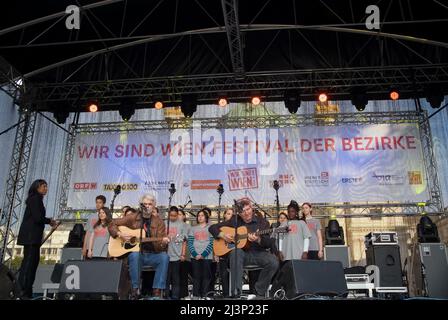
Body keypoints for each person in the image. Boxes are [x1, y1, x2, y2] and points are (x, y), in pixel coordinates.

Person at [209, 199, 278, 298]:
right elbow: (212, 228)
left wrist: (258, 239)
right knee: (236, 252)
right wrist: (222, 235)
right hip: (239, 256)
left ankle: (259, 291)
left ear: (252, 208)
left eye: (248, 209)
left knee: (274, 261)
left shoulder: (262, 222)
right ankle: (236, 293)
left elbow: (268, 243)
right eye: (242, 211)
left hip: (258, 254)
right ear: (239, 213)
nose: (246, 213)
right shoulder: (234, 220)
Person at [108, 194, 169, 299]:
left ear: (154, 206)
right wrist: (120, 234)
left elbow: (160, 248)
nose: (147, 206)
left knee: (164, 257)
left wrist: (163, 243)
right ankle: (135, 289)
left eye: (150, 204)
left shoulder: (159, 222)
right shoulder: (133, 217)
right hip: (136, 255)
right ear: (141, 205)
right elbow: (111, 223)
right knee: (135, 255)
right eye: (145, 204)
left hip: (152, 254)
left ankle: (157, 291)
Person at [17, 179, 57, 299]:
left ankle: (26, 290)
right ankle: (23, 292)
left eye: (46, 186)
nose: (46, 188)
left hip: (33, 238)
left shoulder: (37, 199)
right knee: (29, 264)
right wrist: (49, 221)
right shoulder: (35, 199)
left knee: (31, 264)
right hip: (30, 237)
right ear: (37, 187)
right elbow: (38, 218)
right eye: (43, 186)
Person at [188, 209, 214, 298]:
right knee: (196, 277)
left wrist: (203, 255)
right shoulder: (193, 228)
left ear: (206, 217)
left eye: (202, 215)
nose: (200, 217)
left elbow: (211, 243)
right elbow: (190, 243)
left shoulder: (211, 228)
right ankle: (196, 295)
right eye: (198, 215)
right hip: (194, 257)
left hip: (207, 257)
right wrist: (195, 255)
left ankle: (205, 296)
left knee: (206, 277)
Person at [165, 206, 188, 299]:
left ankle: (175, 296)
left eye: (175, 215)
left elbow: (185, 240)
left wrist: (183, 254)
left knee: (176, 278)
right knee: (166, 278)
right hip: (165, 255)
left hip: (177, 256)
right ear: (168, 214)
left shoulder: (182, 225)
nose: (173, 217)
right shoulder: (164, 223)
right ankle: (166, 296)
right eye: (171, 215)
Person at [217, 208, 234, 297]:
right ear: (224, 215)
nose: (230, 215)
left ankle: (234, 293)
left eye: (232, 214)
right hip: (223, 252)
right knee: (223, 274)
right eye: (228, 213)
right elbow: (216, 240)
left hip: (233, 253)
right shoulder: (219, 226)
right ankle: (226, 294)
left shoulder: (237, 227)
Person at [178, 209, 191, 298]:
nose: (178, 216)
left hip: (185, 254)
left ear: (184, 216)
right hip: (173, 254)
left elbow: (186, 240)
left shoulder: (188, 227)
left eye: (180, 214)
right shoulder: (170, 226)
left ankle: (183, 294)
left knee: (183, 275)